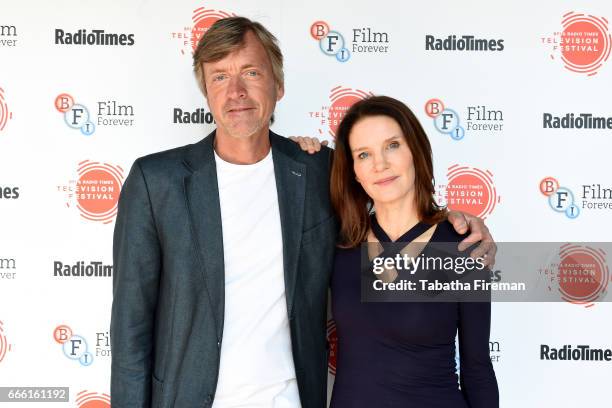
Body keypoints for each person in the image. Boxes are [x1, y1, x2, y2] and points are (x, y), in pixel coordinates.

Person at [110, 16, 496, 408]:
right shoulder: (154, 182)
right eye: (220, 77)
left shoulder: (318, 171)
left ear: (278, 85)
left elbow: (393, 200)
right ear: (206, 92)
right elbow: (130, 330)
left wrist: (458, 224)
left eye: (251, 71)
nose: (236, 91)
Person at [321, 95, 499, 407]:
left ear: (414, 149)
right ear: (353, 171)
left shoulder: (462, 246)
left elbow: (477, 368)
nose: (380, 164)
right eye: (364, 154)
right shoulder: (339, 246)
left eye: (392, 145)